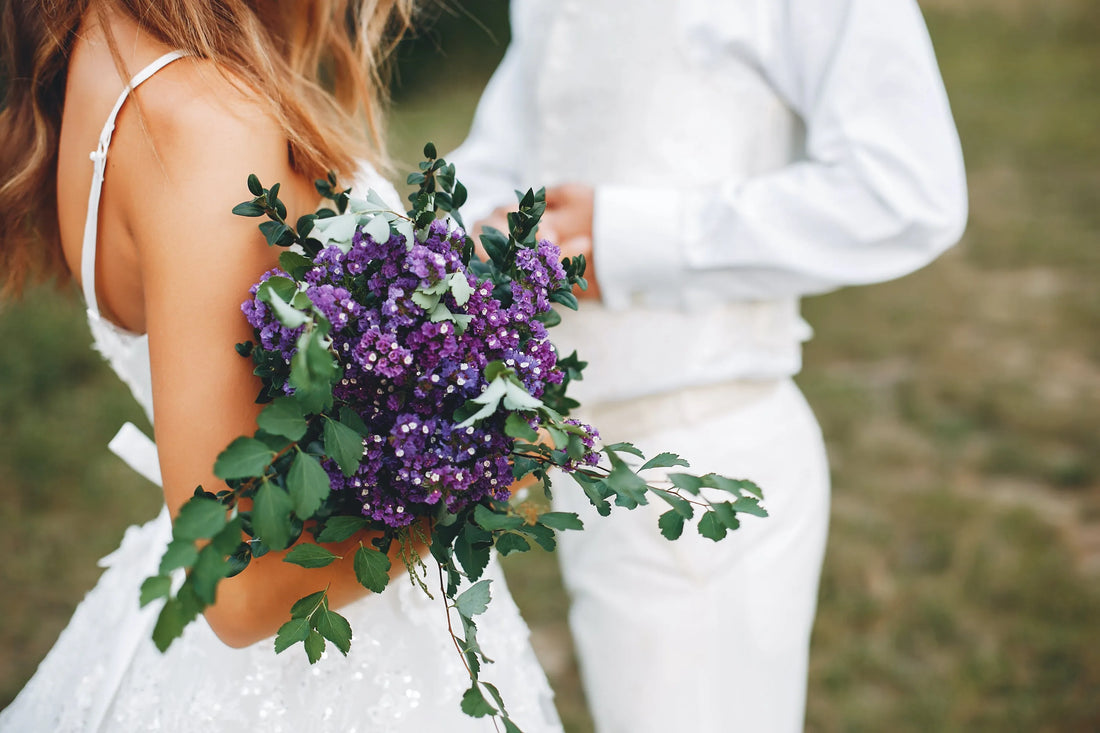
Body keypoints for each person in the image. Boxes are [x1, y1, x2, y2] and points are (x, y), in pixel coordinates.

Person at [0, 1, 563, 730]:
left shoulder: (108, 55)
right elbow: (235, 591)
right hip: (321, 681)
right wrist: (489, 472)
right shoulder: (202, 121)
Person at [450, 0, 967, 731]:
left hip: (705, 457)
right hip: (584, 463)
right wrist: (464, 238)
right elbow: (521, 136)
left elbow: (905, 192)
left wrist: (628, 241)